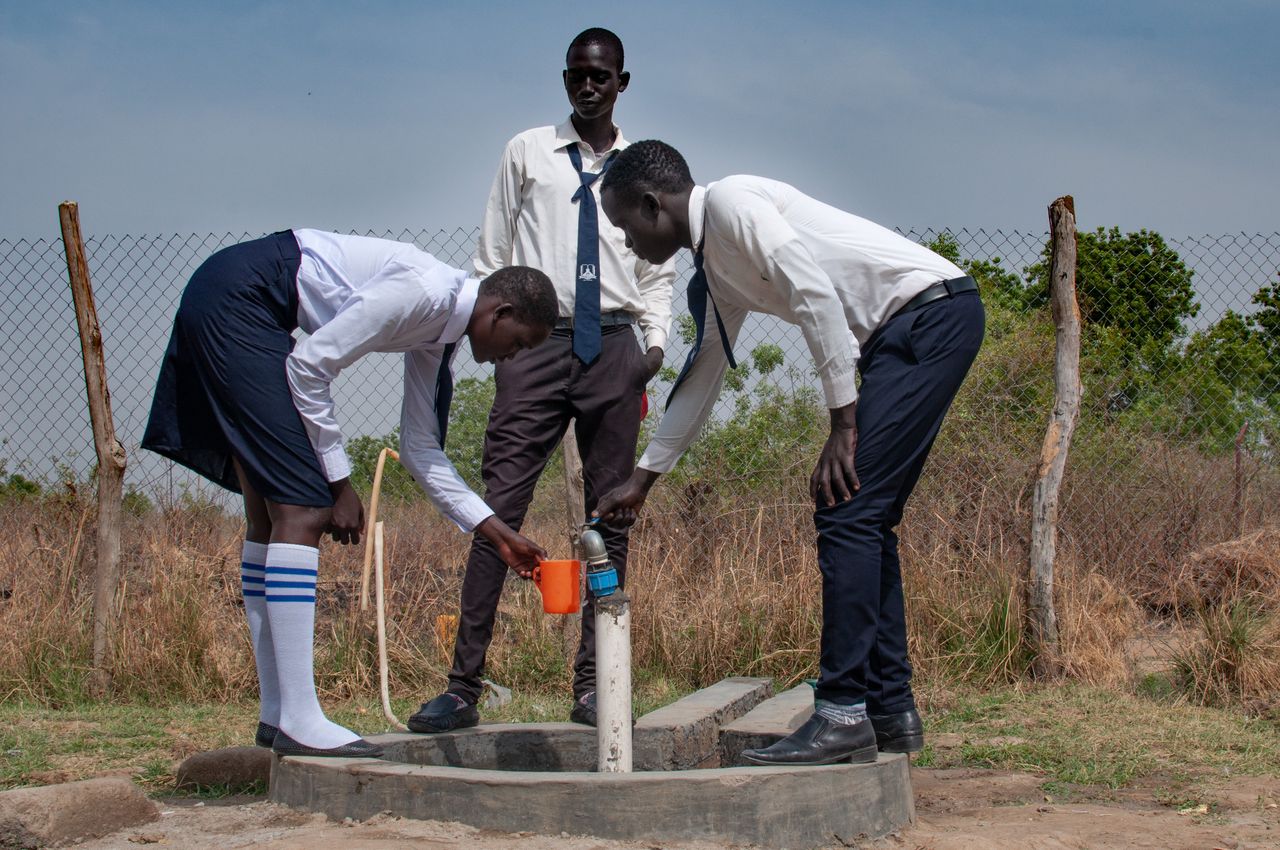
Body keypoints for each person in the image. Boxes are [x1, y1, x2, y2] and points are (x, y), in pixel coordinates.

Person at [593, 141, 986, 765]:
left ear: (651, 204)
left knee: (846, 511)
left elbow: (813, 291)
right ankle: (889, 710)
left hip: (927, 317)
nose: (626, 242)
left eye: (623, 226)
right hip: (906, 332)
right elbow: (703, 376)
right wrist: (645, 478)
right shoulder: (717, 271)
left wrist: (842, 422)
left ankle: (842, 714)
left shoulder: (731, 202)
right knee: (865, 517)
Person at [142, 229, 554, 757]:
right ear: (501, 312)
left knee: (271, 513)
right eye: (518, 343)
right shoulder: (424, 292)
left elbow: (420, 446)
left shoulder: (440, 336)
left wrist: (495, 532)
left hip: (245, 304)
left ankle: (276, 715)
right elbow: (310, 366)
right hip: (238, 297)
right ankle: (299, 718)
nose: (509, 358)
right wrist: (340, 484)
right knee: (305, 507)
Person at [407, 28, 674, 734]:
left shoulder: (641, 164)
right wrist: (486, 333)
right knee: (497, 511)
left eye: (602, 77)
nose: (588, 87)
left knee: (610, 517)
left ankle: (595, 686)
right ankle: (463, 687)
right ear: (565, 81)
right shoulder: (526, 152)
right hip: (533, 343)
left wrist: (651, 347)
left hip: (615, 344)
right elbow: (491, 253)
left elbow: (659, 270)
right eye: (577, 77)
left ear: (622, 82)